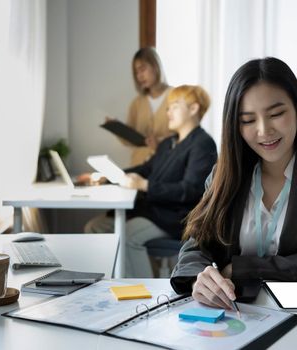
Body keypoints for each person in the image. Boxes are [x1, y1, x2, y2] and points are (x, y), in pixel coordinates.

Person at [170, 57, 297, 310]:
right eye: (248, 120)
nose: (264, 130)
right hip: (238, 313)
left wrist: (240, 267)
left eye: (276, 114)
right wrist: (200, 278)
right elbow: (195, 246)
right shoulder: (224, 173)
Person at [85, 85, 217, 278]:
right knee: (95, 227)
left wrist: (144, 185)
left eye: (174, 106)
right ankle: (106, 285)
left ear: (194, 108)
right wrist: (108, 176)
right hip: (152, 211)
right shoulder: (168, 143)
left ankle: (144, 297)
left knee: (127, 236)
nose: (168, 111)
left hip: (175, 217)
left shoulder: (203, 144)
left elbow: (190, 190)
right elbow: (145, 170)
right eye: (168, 107)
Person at [117, 47, 173, 166]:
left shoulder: (175, 97)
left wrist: (160, 141)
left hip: (166, 166)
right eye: (136, 72)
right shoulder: (137, 103)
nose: (139, 76)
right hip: (138, 166)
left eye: (142, 69)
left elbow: (185, 136)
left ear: (155, 66)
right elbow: (130, 141)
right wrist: (117, 129)